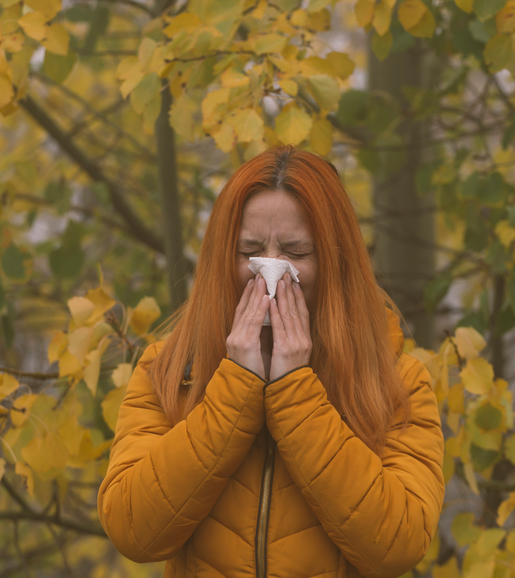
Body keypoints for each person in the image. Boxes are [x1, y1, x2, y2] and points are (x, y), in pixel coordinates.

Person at [97, 146, 445, 578]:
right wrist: (235, 388)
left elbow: (399, 545)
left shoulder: (398, 383)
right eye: (251, 251)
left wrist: (296, 391)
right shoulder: (170, 371)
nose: (271, 274)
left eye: (297, 253)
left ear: (334, 261)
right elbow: (133, 531)